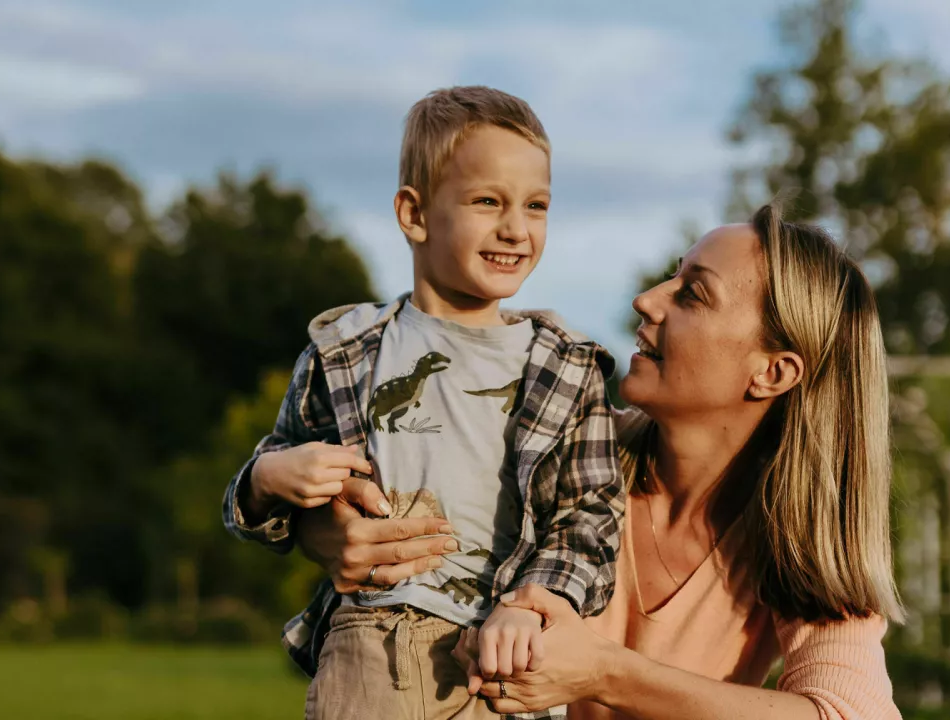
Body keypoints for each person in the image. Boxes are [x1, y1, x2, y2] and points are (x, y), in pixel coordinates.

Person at [292, 201, 905, 719]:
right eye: (671, 276)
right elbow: (374, 472)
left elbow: (850, 713)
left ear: (773, 372)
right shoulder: (553, 453)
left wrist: (606, 674)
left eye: (692, 294)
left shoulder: (799, 539)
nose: (646, 300)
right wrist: (328, 529)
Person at [222, 86, 623, 720]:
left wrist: (533, 601)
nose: (516, 228)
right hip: (371, 649)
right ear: (414, 215)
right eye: (487, 201)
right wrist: (271, 476)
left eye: (536, 205)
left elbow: (590, 514)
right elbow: (262, 488)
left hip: (505, 664)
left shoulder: (566, 366)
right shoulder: (346, 350)